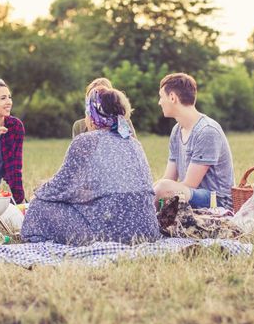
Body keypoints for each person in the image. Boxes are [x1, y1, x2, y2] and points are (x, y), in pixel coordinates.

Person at [21, 87, 160, 245]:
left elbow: (59, 187)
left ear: (93, 116)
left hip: (111, 234)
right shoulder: (134, 143)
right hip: (147, 230)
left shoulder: (86, 141)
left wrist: (38, 191)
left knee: (38, 206)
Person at [153, 73, 234, 209]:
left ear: (172, 97)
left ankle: (139, 216)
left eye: (161, 97)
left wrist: (161, 191)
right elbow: (169, 178)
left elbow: (190, 185)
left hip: (218, 202)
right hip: (192, 194)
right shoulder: (177, 130)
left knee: (163, 188)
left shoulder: (207, 131)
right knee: (158, 187)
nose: (159, 102)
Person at [71, 77, 136, 139]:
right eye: (92, 98)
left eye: (100, 97)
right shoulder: (79, 125)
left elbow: (132, 143)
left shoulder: (123, 122)